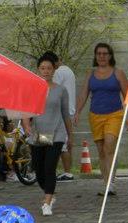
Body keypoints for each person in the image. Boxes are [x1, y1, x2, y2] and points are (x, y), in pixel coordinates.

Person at [74, 42, 128, 196]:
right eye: (99, 54)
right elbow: (83, 94)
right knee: (101, 151)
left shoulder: (118, 73)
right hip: (95, 115)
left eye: (105, 53)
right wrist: (77, 111)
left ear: (110, 56)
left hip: (114, 114)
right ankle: (106, 182)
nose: (102, 56)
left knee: (109, 145)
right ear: (95, 56)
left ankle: (111, 181)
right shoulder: (90, 74)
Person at [23, 53, 73, 217]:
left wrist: (70, 135)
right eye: (43, 68)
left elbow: (66, 114)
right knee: (39, 170)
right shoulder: (33, 87)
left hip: (56, 133)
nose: (46, 71)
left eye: (49, 68)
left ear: (54, 70)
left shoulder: (60, 90)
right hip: (39, 134)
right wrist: (26, 124)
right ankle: (50, 193)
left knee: (50, 167)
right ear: (38, 70)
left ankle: (46, 202)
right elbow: (26, 110)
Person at [50, 52, 77, 182]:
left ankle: (67, 173)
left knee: (61, 144)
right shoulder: (69, 71)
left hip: (61, 111)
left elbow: (52, 89)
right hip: (69, 110)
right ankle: (67, 171)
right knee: (66, 142)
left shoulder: (59, 72)